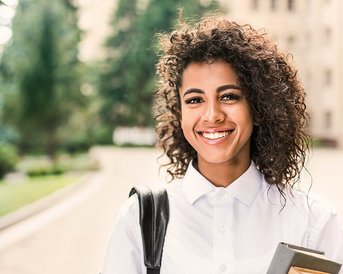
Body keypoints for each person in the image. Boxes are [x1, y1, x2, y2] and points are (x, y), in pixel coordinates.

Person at [102, 15, 343, 273]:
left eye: (229, 96)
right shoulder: (139, 220)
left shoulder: (312, 222)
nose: (212, 115)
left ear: (258, 106)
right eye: (195, 100)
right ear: (180, 112)